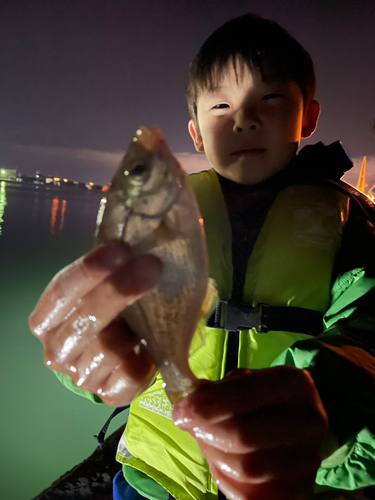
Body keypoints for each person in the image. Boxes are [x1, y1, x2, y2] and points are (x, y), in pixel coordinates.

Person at [29, 13, 375, 500]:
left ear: (309, 116)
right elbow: (112, 321)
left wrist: (329, 409)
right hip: (155, 476)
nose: (245, 118)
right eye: (221, 104)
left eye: (270, 98)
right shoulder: (158, 217)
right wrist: (89, 352)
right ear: (194, 133)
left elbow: (370, 336)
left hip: (288, 479)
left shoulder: (350, 222)